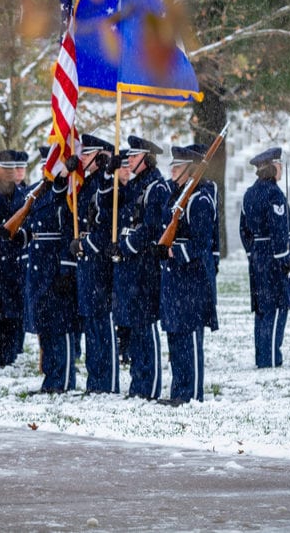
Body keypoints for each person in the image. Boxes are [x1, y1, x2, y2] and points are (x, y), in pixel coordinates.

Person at [158, 144, 220, 404]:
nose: (172, 170)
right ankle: (179, 391)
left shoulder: (200, 200)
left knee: (190, 336)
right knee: (176, 335)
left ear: (191, 170)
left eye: (178, 166)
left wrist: (176, 252)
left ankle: (192, 393)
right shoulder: (177, 196)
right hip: (176, 278)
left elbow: (202, 242)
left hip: (193, 277)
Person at [115, 136, 171, 400]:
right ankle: (138, 383)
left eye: (134, 157)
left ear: (146, 158)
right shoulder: (135, 185)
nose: (130, 161)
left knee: (146, 327)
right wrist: (108, 174)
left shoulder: (156, 188)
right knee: (135, 326)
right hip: (131, 266)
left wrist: (127, 246)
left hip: (145, 264)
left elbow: (151, 228)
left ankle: (150, 386)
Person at [18, 147, 78, 392]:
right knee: (45, 324)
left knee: (60, 325)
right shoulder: (38, 191)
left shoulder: (65, 194)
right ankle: (51, 378)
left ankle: (63, 380)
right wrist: (20, 235)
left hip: (55, 266)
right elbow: (32, 226)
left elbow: (68, 232)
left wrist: (67, 266)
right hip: (39, 266)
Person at [70, 134, 120, 394]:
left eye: (87, 155)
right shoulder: (86, 182)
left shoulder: (105, 183)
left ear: (100, 157)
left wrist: (86, 245)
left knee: (103, 323)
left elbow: (107, 226)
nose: (82, 159)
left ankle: (108, 382)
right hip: (87, 263)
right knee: (91, 322)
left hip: (101, 262)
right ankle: (95, 380)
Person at [239, 147, 290, 368]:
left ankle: (262, 356)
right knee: (277, 306)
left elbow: (243, 230)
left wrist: (252, 252)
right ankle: (271, 357)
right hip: (274, 256)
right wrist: (284, 259)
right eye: (279, 166)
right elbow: (279, 230)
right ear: (273, 168)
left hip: (257, 256)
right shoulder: (274, 194)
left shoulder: (249, 193)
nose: (281, 170)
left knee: (262, 308)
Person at [0, 150, 28, 367]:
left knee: (13, 311)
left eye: (13, 168)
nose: (11, 172)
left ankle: (10, 354)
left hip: (15, 258)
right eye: (6, 168)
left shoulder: (23, 195)